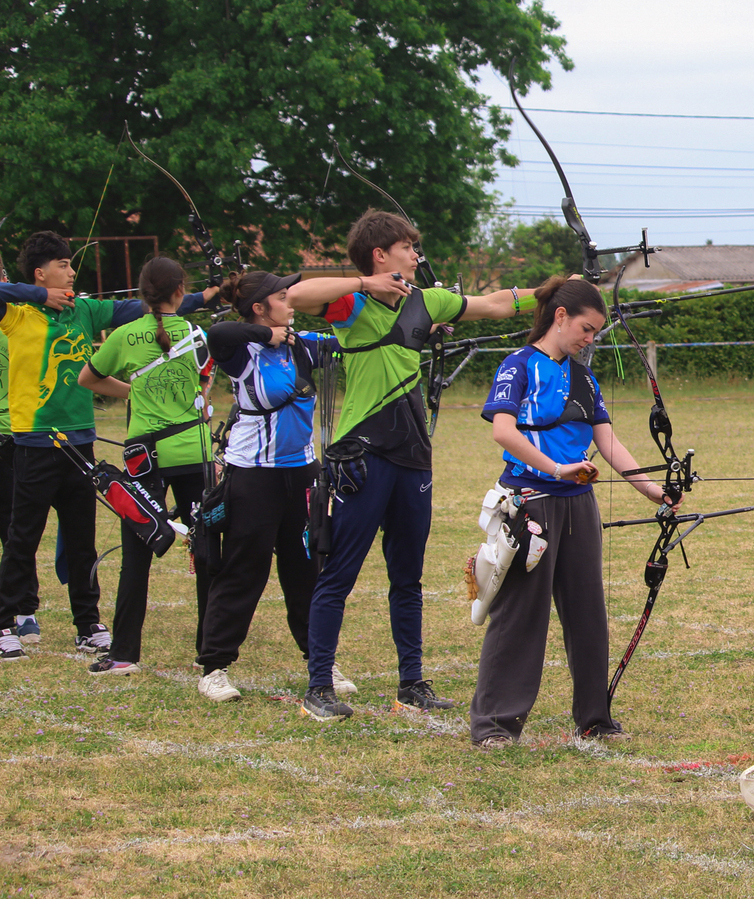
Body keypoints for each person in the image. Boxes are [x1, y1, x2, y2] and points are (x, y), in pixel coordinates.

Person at [286, 208, 532, 721]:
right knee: (339, 574)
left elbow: (494, 304)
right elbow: (296, 297)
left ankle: (411, 683)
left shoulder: (425, 300)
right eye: (407, 248)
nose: (417, 256)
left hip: (413, 457)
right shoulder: (351, 303)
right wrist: (364, 282)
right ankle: (319, 687)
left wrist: (556, 291)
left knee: (408, 577)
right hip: (363, 455)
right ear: (380, 255)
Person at [469, 276, 678, 749]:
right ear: (560, 316)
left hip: (578, 506)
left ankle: (594, 717)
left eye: (596, 333)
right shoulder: (518, 365)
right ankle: (495, 724)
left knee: (588, 612)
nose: (590, 339)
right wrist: (557, 468)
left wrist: (653, 491)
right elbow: (503, 431)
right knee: (521, 614)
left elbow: (607, 441)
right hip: (530, 501)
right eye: (586, 329)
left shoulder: (584, 378)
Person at [0, 233, 212, 661]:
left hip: (80, 440)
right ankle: (6, 622)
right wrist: (39, 296)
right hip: (35, 440)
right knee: (23, 536)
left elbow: (148, 306)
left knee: (82, 539)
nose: (71, 272)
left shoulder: (84, 309)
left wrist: (208, 295)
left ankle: (87, 623)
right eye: (63, 265)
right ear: (40, 273)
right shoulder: (16, 314)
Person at [194, 270, 350, 703]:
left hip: (301, 473)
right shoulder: (242, 351)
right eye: (282, 297)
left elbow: (355, 343)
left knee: (305, 570)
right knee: (245, 568)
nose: (290, 303)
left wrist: (421, 325)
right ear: (259, 308)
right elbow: (217, 332)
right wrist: (266, 334)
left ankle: (320, 660)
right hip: (253, 474)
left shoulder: (302, 345)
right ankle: (214, 667)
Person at [76, 257, 216, 674]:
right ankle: (210, 651)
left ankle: (123, 654)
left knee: (136, 554)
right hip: (192, 451)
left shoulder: (124, 335)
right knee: (206, 550)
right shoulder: (196, 334)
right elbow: (204, 387)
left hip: (145, 457)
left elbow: (88, 378)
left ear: (141, 293)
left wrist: (134, 392)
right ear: (180, 291)